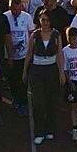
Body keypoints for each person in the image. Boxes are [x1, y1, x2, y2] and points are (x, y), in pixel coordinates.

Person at [24, 13, 65, 145]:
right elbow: (29, 53)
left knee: (51, 100)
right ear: (39, 21)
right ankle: (39, 132)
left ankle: (50, 129)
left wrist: (61, 72)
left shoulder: (56, 35)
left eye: (48, 20)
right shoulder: (35, 35)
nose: (45, 22)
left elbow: (59, 53)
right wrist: (25, 71)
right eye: (43, 20)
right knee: (38, 102)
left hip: (51, 70)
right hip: (37, 70)